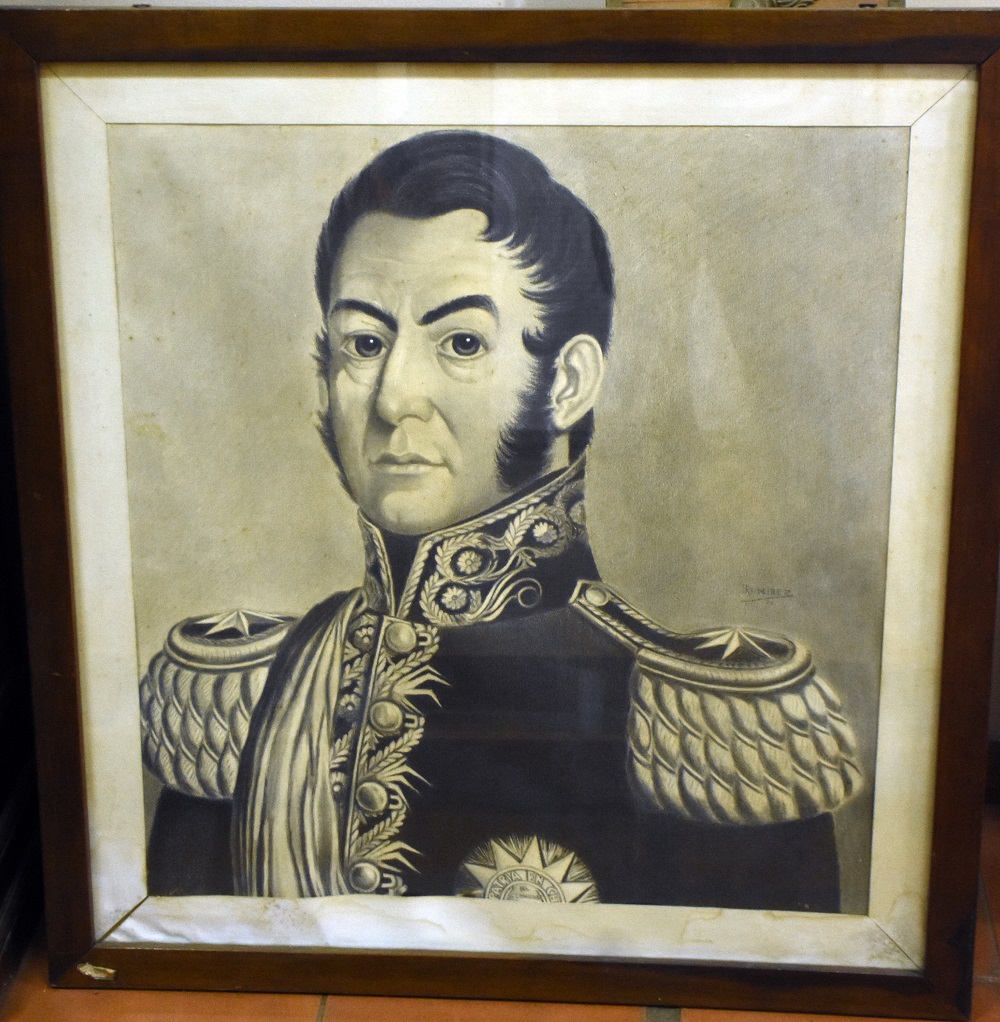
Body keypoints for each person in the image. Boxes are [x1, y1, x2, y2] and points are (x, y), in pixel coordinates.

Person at [140, 130, 861, 908]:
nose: (393, 398)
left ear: (568, 382)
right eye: (364, 342)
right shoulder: (248, 695)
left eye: (460, 343)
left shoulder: (709, 730)